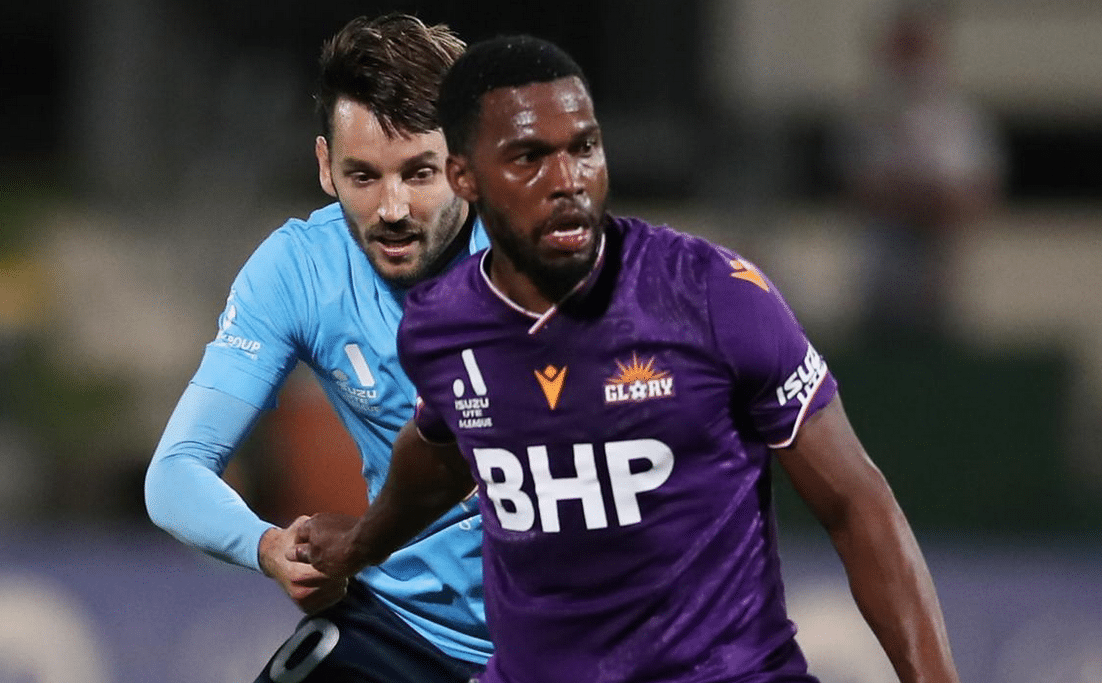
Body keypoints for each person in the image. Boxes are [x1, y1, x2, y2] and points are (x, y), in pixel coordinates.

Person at [293, 35, 962, 683]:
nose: (567, 180)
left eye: (583, 147)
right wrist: (361, 543)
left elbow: (856, 504)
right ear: (463, 176)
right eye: (529, 157)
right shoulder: (440, 324)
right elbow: (438, 454)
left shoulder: (711, 294)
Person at [144, 14, 492, 683]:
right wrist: (268, 546)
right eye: (364, 176)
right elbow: (176, 470)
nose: (392, 208)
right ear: (326, 167)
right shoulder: (299, 271)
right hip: (403, 629)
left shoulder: (545, 267)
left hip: (567, 637)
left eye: (419, 173)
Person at [837, 4, 1003, 343]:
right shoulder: (866, 117)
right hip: (880, 272)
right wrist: (916, 198)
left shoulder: (960, 118)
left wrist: (924, 199)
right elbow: (859, 188)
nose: (910, 62)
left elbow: (977, 193)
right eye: (902, 48)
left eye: (917, 49)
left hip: (942, 271)